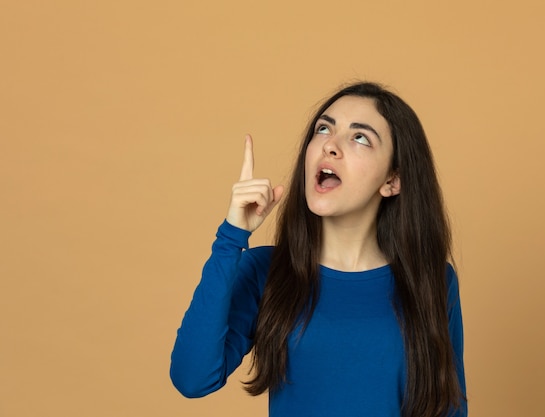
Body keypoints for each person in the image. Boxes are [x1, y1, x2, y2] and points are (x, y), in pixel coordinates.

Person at [170, 82, 467, 417]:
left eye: (360, 137)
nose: (330, 145)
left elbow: (448, 408)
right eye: (324, 129)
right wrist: (231, 237)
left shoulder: (433, 279)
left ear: (392, 180)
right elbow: (192, 379)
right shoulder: (266, 271)